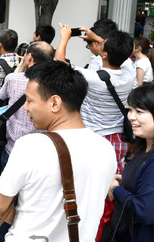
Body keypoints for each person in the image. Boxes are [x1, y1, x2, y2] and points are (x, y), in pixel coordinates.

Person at [0, 61, 116, 242]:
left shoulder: (30, 146)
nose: (25, 107)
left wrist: (28, 227)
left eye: (29, 100)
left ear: (54, 103)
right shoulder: (106, 149)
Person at [56, 25, 134, 174]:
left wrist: (65, 37)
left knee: (86, 179)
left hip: (91, 137)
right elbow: (122, 52)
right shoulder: (130, 73)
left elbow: (59, 62)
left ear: (104, 54)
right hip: (117, 138)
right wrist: (96, 38)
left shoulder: (92, 78)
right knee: (112, 181)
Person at [108, 85, 154, 242]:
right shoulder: (145, 148)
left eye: (140, 111)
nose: (131, 117)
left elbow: (145, 210)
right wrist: (124, 180)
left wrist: (116, 189)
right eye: (130, 110)